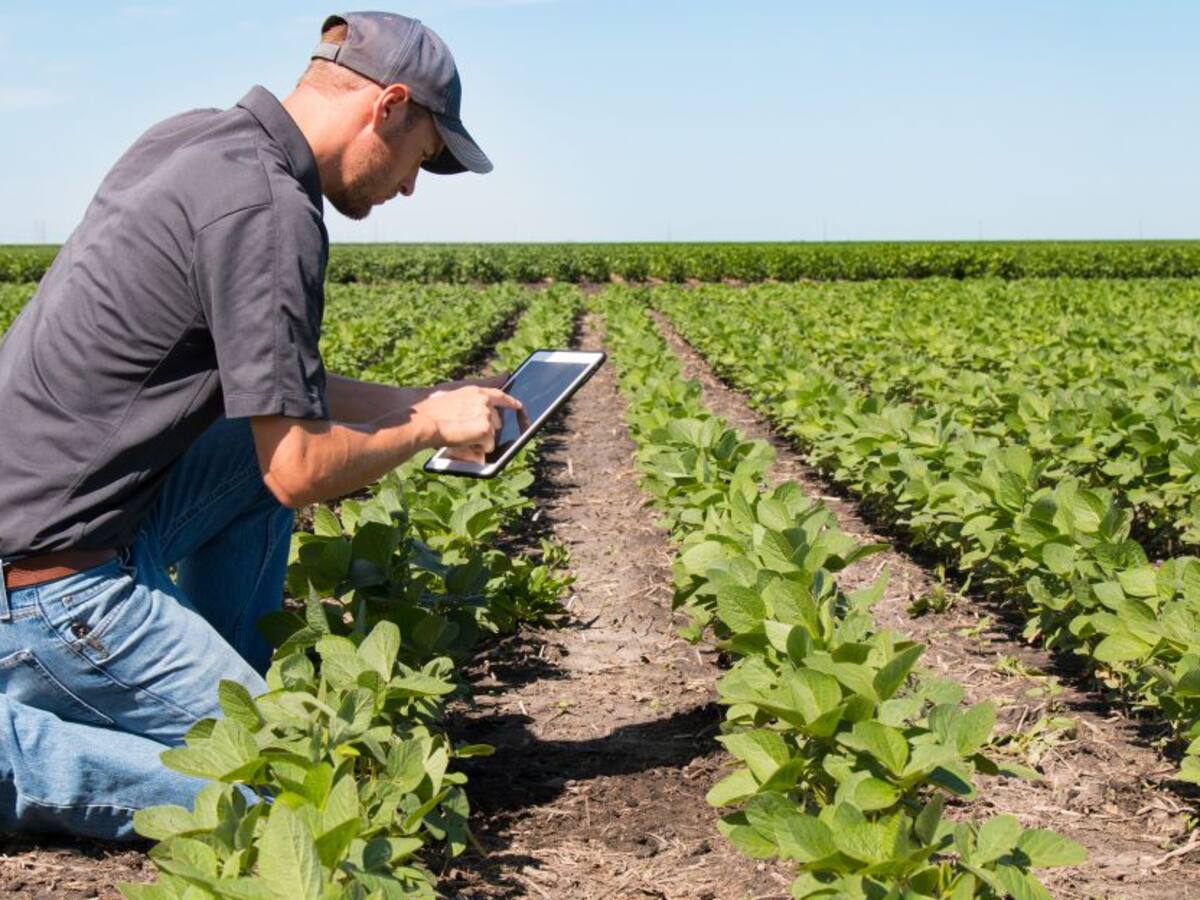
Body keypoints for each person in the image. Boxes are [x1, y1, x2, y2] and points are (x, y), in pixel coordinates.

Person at [0, 11, 520, 841]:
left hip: (56, 528)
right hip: (52, 586)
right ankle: (22, 749)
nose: (412, 188)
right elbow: (301, 471)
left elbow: (281, 399)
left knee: (248, 449)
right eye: (422, 157)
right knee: (296, 794)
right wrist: (427, 432)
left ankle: (215, 682)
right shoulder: (272, 210)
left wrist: (418, 397)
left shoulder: (195, 143)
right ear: (386, 106)